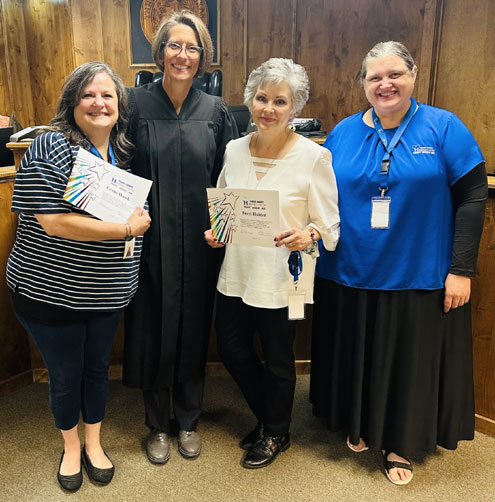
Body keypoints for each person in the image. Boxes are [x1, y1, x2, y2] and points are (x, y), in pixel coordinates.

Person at [310, 41, 487, 485]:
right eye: (375, 77)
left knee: (407, 362)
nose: (385, 84)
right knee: (357, 353)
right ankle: (359, 424)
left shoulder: (443, 127)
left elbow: (472, 196)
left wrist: (461, 269)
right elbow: (319, 196)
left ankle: (399, 443)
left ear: (413, 75)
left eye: (395, 75)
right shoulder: (343, 133)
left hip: (417, 271)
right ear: (363, 84)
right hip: (348, 270)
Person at [6, 62, 151, 492]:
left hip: (106, 293)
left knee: (96, 369)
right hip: (50, 293)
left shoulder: (123, 154)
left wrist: (136, 223)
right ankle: (70, 447)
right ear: (72, 102)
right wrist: (125, 229)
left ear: (120, 105)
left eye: (107, 95)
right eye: (88, 94)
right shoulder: (51, 145)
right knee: (66, 374)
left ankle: (93, 442)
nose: (98, 103)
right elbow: (52, 222)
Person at [205, 58, 340, 469]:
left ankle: (276, 431)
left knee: (279, 358)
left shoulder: (314, 156)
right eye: (262, 98)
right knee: (232, 349)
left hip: (286, 276)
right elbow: (224, 204)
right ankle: (271, 418)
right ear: (250, 100)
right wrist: (217, 231)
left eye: (280, 101)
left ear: (294, 107)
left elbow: (329, 222)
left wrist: (309, 234)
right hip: (238, 270)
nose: (268, 108)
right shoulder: (233, 149)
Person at [123, 10, 237, 464]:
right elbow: (119, 167)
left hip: (199, 243)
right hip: (149, 242)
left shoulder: (216, 111)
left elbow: (227, 177)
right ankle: (157, 424)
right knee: (152, 327)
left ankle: (188, 418)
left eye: (192, 48)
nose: (183, 55)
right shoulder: (133, 105)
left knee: (193, 326)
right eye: (175, 45)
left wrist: (223, 230)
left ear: (202, 56)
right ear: (160, 52)